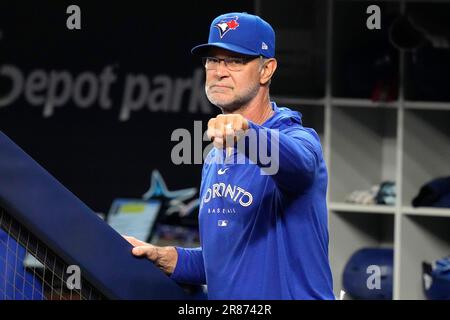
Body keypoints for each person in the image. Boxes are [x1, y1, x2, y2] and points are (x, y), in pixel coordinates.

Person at [124, 12, 334, 300]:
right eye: (212, 60)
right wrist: (166, 257)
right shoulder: (215, 157)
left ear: (266, 70)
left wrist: (247, 133)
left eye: (235, 60)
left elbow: (299, 164)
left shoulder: (297, 138)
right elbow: (224, 260)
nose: (219, 71)